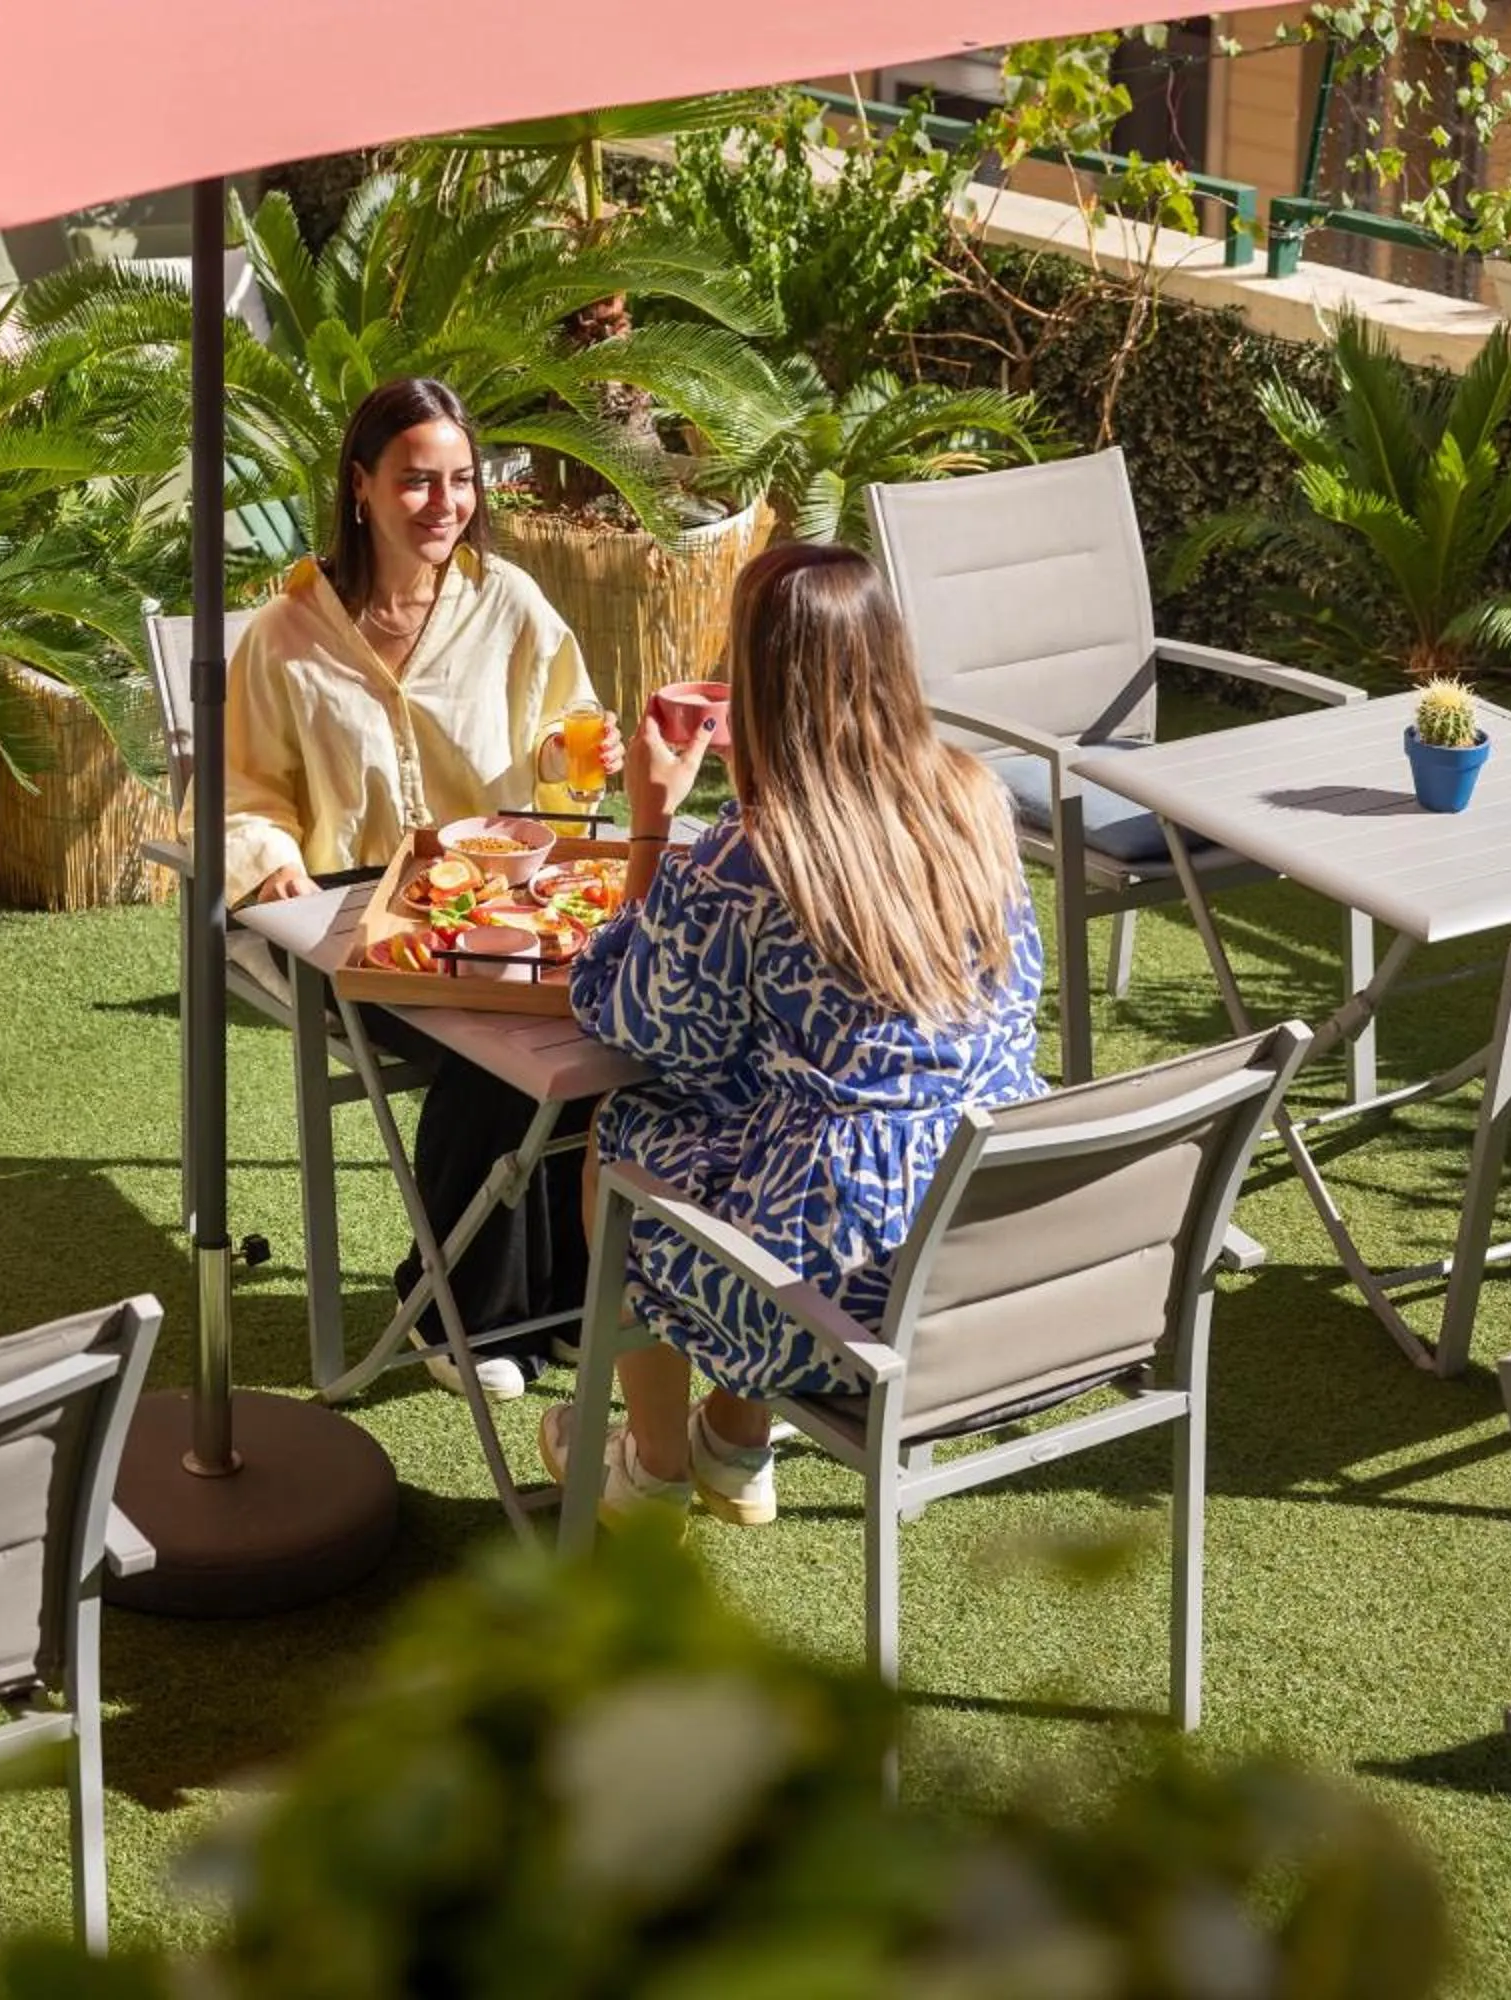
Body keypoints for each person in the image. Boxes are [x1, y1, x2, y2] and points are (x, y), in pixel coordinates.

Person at [543, 542, 1045, 1522]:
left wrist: (653, 821)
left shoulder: (754, 851)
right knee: (779, 1124)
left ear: (760, 682)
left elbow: (634, 1013)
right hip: (992, 1250)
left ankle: (649, 1466)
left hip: (839, 1299)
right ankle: (731, 1443)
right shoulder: (976, 799)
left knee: (626, 1134)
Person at [223, 377, 622, 1398]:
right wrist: (267, 859)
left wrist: (583, 753)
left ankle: (566, 1296)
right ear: (360, 487)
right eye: (416, 482)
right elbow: (239, 793)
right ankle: (463, 1315)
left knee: (595, 1024)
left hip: (489, 894)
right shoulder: (284, 635)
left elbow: (557, 739)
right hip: (338, 911)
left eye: (460, 481)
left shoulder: (511, 603)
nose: (443, 504)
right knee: (490, 1052)